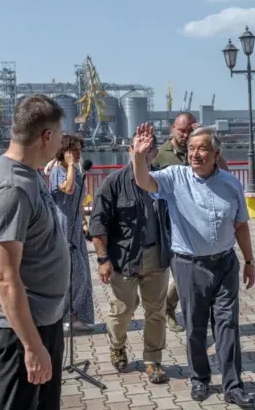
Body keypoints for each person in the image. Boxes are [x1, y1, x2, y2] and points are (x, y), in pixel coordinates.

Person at [132, 123, 255, 407]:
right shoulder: (175, 177)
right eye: (191, 149)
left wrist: (249, 261)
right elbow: (144, 182)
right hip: (189, 265)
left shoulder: (231, 183)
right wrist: (138, 157)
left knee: (227, 325)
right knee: (196, 327)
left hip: (225, 264)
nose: (195, 154)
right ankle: (199, 379)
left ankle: (233, 386)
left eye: (202, 149)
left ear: (215, 152)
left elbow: (241, 225)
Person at [0, 94, 68, 410]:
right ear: (46, 136)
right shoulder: (12, 188)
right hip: (20, 330)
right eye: (60, 135)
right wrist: (31, 346)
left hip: (41, 320)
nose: (61, 143)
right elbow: (4, 278)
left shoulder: (29, 175)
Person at [88, 134, 171, 383]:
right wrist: (103, 260)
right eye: (138, 148)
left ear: (154, 153)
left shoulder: (163, 180)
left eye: (148, 149)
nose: (143, 153)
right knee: (123, 311)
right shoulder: (112, 183)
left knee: (156, 311)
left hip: (157, 256)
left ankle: (153, 360)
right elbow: (97, 225)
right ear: (129, 150)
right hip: (123, 259)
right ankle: (117, 345)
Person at [151, 112, 228, 332]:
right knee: (181, 273)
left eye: (189, 130)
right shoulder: (161, 155)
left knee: (190, 274)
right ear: (172, 129)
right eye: (181, 130)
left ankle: (175, 308)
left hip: (199, 223)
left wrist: (205, 135)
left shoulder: (199, 149)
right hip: (169, 222)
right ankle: (170, 310)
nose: (185, 135)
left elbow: (224, 171)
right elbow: (146, 182)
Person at [49, 133, 95, 332]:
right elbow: (67, 190)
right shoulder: (58, 172)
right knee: (75, 275)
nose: (78, 154)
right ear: (64, 151)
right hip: (63, 228)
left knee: (80, 275)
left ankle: (74, 315)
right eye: (73, 150)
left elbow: (78, 200)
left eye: (79, 150)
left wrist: (85, 222)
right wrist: (69, 166)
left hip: (75, 228)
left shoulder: (74, 171)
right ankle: (66, 316)